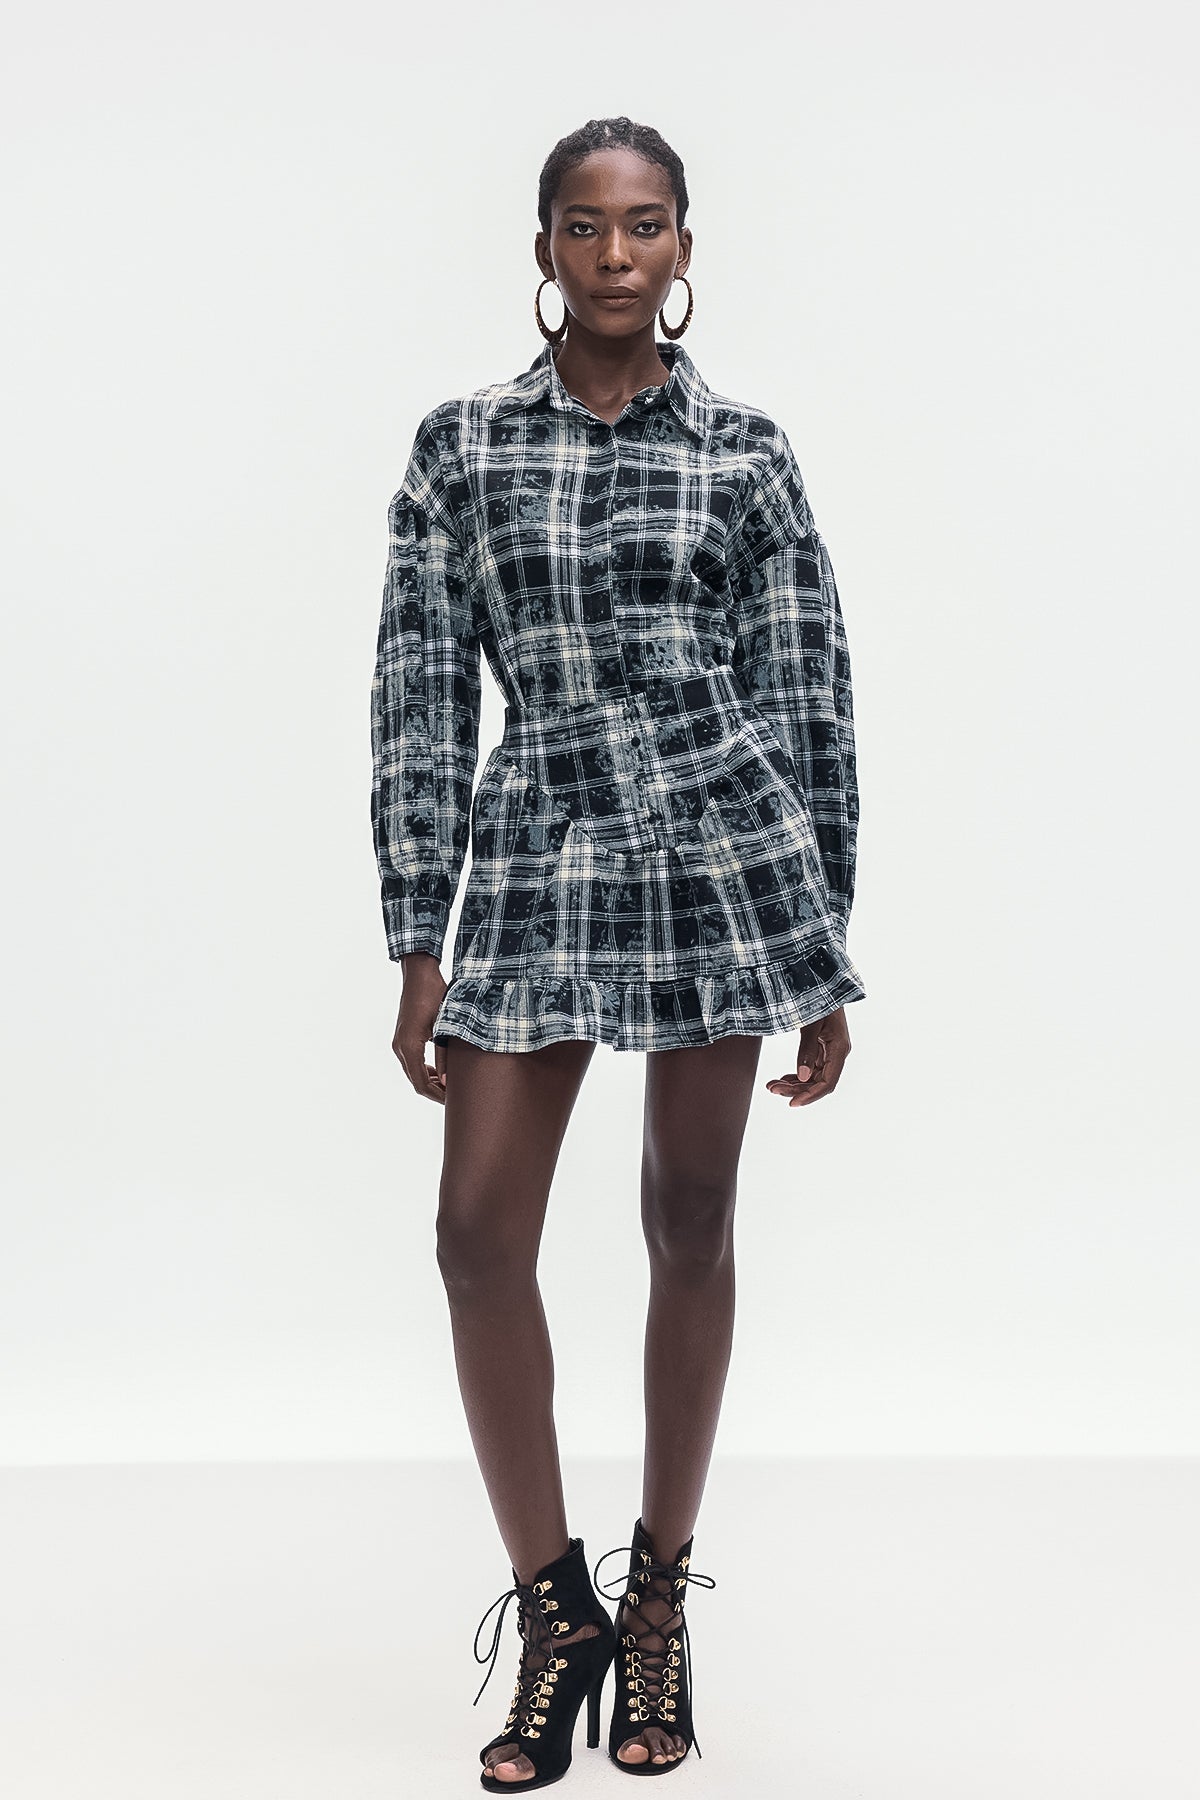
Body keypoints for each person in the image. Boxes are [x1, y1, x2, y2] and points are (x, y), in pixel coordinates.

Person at [370, 116, 867, 1789]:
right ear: (543, 250)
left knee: (692, 1215)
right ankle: (555, 1609)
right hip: (536, 849)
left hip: (722, 850)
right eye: (585, 227)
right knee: (474, 1236)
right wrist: (417, 934)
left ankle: (658, 1600)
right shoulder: (460, 449)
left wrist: (822, 944)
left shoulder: (748, 454)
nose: (616, 254)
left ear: (684, 248)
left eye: (645, 224)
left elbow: (808, 697)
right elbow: (419, 701)